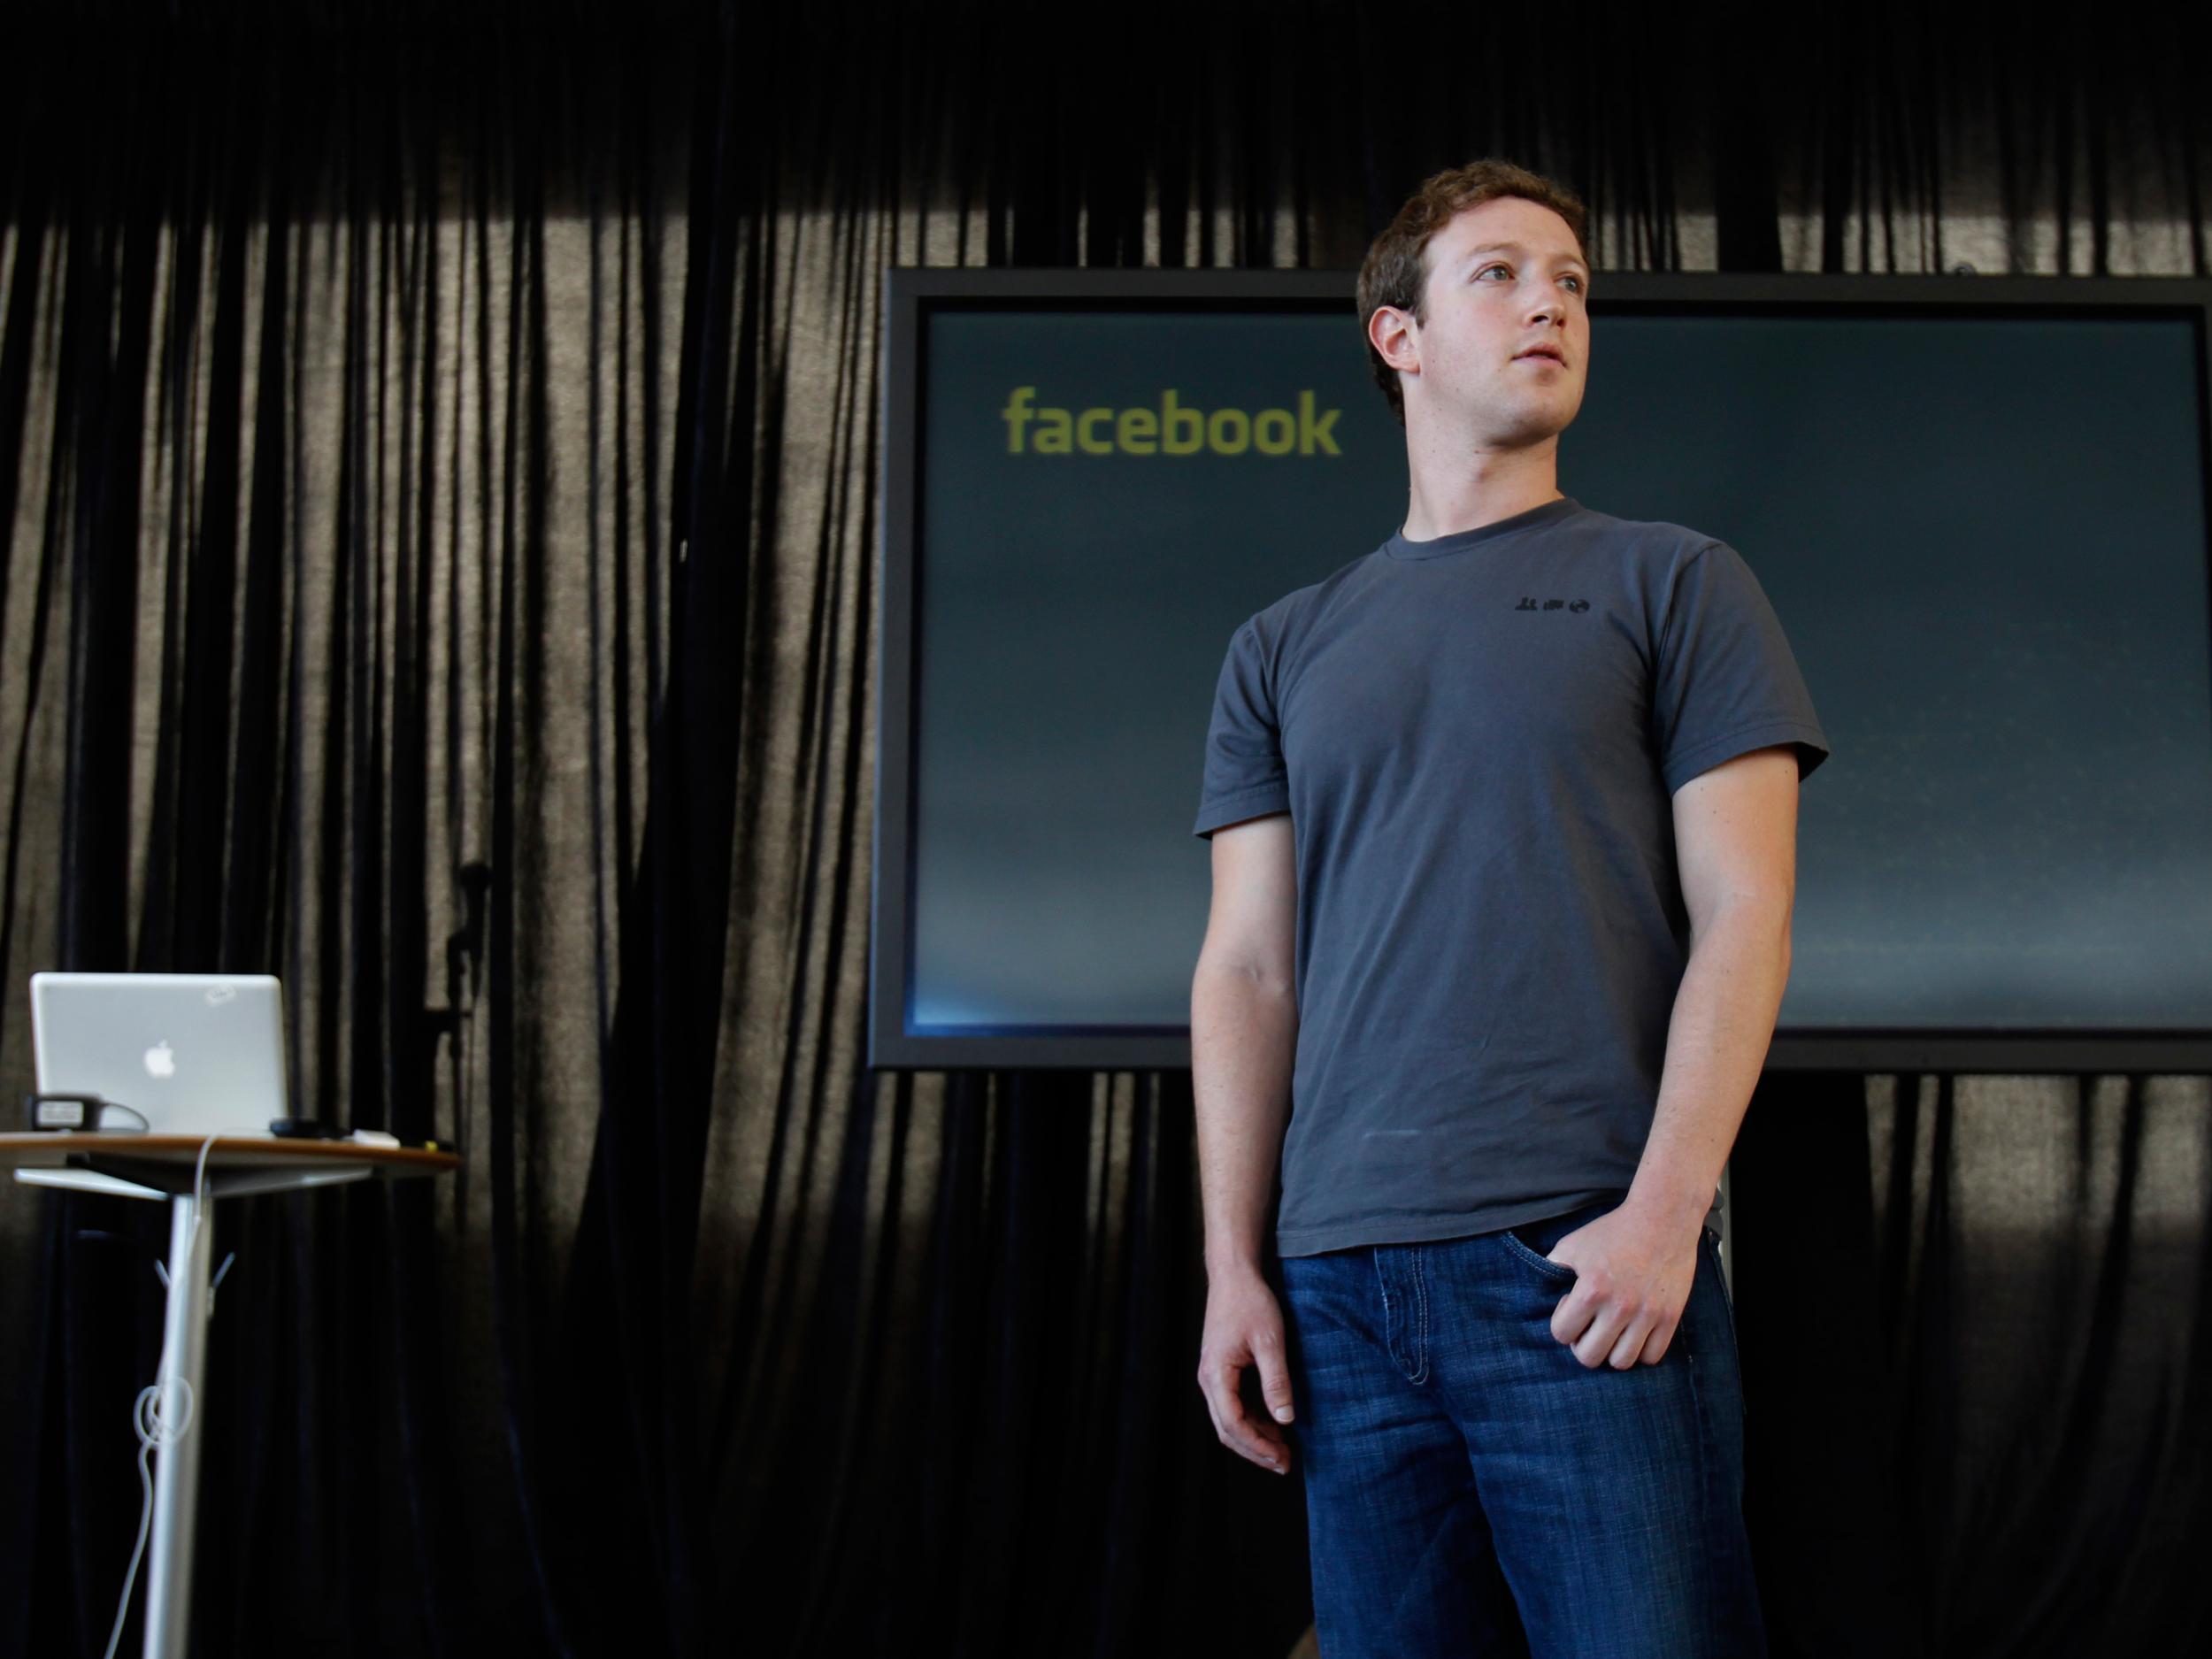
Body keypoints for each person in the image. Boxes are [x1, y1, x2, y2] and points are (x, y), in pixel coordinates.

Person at [1187, 157, 1832, 1658]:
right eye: (1499, 273)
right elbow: (1247, 970)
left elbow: (1747, 911)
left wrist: (1665, 1218)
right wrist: (1237, 1267)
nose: (1551, 300)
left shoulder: (1676, 581)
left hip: (1581, 1271)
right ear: (1396, 337)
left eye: (1573, 283)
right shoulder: (1279, 648)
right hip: (1338, 1286)